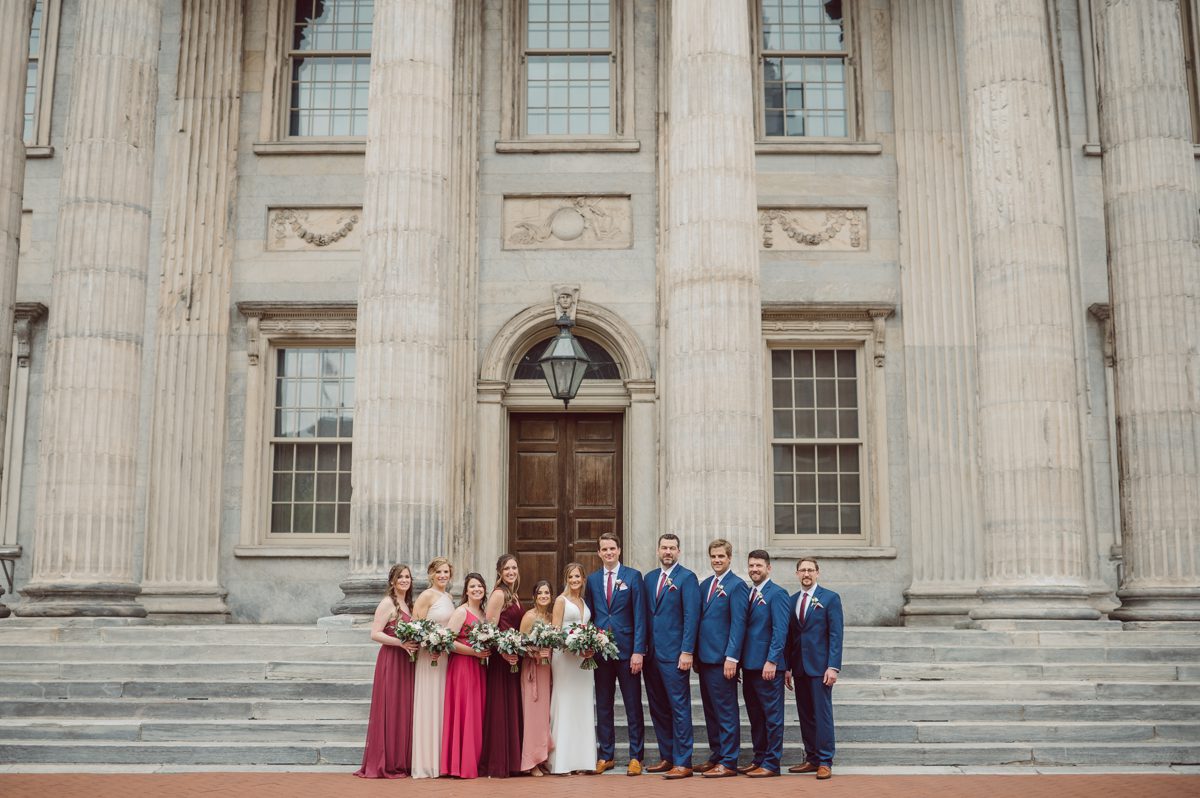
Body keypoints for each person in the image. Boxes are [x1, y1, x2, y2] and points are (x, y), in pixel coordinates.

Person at [585, 533, 646, 775]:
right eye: (604, 549)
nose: (609, 553)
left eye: (612, 548)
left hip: (627, 650)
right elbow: (590, 614)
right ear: (599, 553)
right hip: (601, 653)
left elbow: (640, 616)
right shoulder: (592, 579)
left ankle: (635, 757)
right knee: (603, 705)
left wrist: (638, 651)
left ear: (619, 550)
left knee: (633, 705)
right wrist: (589, 643)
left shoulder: (633, 577)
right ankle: (606, 755)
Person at [642, 533, 700, 779]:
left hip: (675, 654)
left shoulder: (687, 578)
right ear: (658, 550)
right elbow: (645, 615)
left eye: (672, 548)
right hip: (651, 654)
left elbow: (691, 616)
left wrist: (687, 651)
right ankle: (667, 757)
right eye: (664, 547)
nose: (668, 552)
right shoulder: (650, 578)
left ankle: (683, 761)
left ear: (679, 551)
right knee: (658, 708)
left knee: (678, 707)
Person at [355, 563, 419, 778]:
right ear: (392, 581)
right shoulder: (387, 603)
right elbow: (375, 633)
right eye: (400, 577)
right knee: (391, 707)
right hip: (391, 660)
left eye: (407, 577)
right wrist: (400, 642)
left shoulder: (408, 603)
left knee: (403, 709)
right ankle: (386, 761)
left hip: (406, 661)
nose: (404, 580)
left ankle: (401, 759)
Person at [785, 557, 844, 781]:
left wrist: (833, 666)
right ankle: (811, 758)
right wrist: (788, 667)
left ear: (817, 573)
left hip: (821, 668)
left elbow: (836, 635)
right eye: (802, 570)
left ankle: (825, 760)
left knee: (822, 715)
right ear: (797, 574)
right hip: (799, 667)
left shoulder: (830, 598)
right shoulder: (791, 601)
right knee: (806, 715)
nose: (806, 574)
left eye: (810, 570)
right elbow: (790, 637)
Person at [694, 539, 748, 779]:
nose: (717, 560)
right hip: (705, 659)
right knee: (711, 711)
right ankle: (716, 754)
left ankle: (729, 760)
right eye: (714, 556)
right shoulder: (705, 585)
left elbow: (738, 624)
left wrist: (732, 657)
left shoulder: (737, 586)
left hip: (723, 660)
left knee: (726, 711)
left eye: (721, 557)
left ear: (729, 558)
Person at [737, 549, 791, 778]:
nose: (754, 569)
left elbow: (780, 631)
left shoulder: (778, 594)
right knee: (755, 715)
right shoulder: (749, 593)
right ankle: (759, 757)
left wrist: (772, 661)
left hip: (768, 667)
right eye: (751, 566)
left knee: (772, 716)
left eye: (758, 565)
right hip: (749, 666)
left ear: (768, 568)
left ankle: (771, 763)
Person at [548, 562, 598, 775]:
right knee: (566, 703)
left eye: (578, 576)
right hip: (565, 659)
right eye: (571, 577)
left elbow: (587, 627)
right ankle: (562, 762)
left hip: (583, 661)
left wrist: (590, 645)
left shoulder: (583, 601)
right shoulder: (561, 601)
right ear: (566, 579)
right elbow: (555, 632)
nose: (575, 580)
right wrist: (572, 646)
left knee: (582, 705)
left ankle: (582, 761)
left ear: (583, 579)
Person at [440, 572, 491, 779]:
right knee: (464, 712)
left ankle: (475, 761)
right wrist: (473, 652)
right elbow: (448, 642)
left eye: (480, 586)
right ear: (466, 591)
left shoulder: (485, 614)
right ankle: (459, 764)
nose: (477, 589)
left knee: (476, 714)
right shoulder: (461, 612)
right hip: (462, 668)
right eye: (472, 587)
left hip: (479, 668)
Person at [479, 554, 525, 777]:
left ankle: (513, 760)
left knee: (512, 707)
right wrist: (504, 652)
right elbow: (490, 629)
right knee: (500, 708)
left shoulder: (513, 594)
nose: (511, 572)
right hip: (501, 660)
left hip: (514, 658)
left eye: (514, 568)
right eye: (506, 569)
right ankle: (499, 762)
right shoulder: (498, 594)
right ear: (499, 572)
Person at [410, 556, 455, 779]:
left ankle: (441, 760)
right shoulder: (426, 596)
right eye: (438, 572)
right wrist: (429, 644)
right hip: (429, 658)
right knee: (429, 704)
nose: (442, 576)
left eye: (446, 572)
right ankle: (426, 763)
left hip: (445, 657)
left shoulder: (449, 597)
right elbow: (415, 626)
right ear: (431, 574)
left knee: (442, 706)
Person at [518, 579, 555, 776]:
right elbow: (519, 645)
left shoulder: (550, 617)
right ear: (534, 596)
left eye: (547, 593)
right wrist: (533, 652)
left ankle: (542, 757)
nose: (543, 596)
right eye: (540, 593)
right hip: (532, 669)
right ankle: (531, 761)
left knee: (544, 717)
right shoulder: (529, 617)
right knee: (532, 717)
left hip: (547, 669)